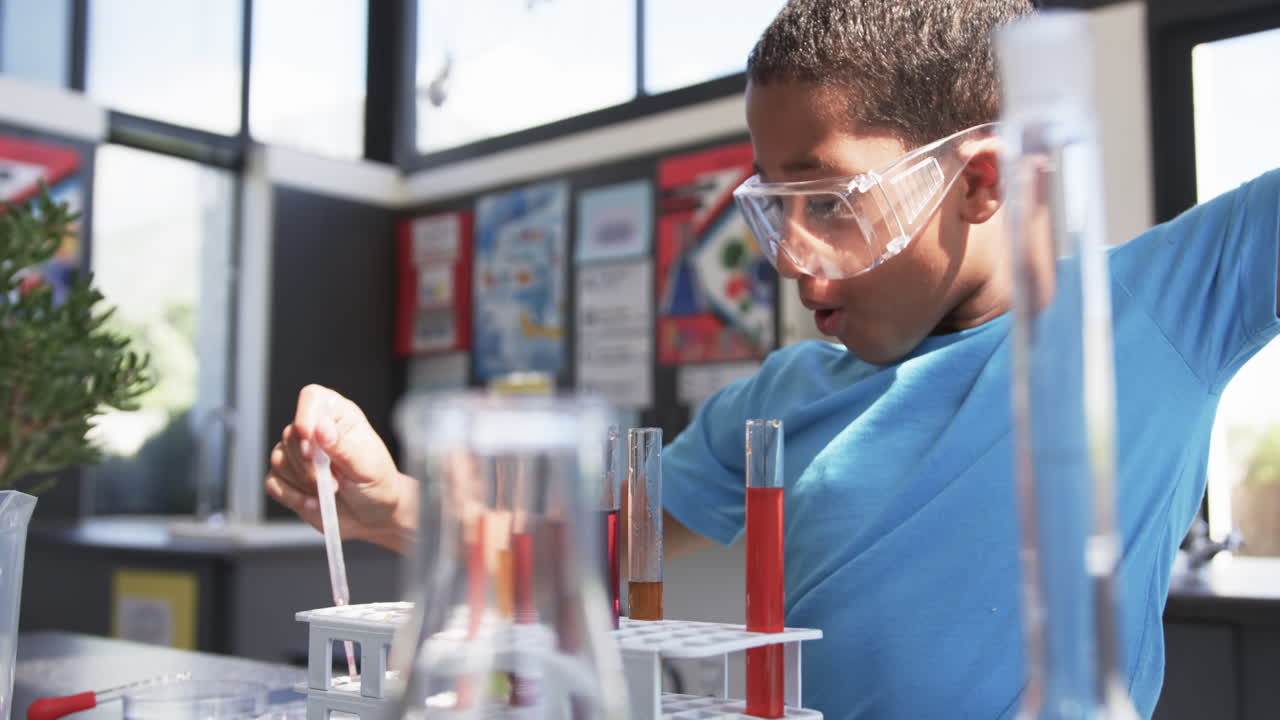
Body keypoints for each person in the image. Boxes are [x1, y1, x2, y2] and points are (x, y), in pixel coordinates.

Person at [265, 1, 1280, 717]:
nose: (792, 259)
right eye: (773, 210)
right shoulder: (776, 404)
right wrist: (392, 504)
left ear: (979, 181)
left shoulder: (1160, 310)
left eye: (829, 202)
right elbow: (610, 566)